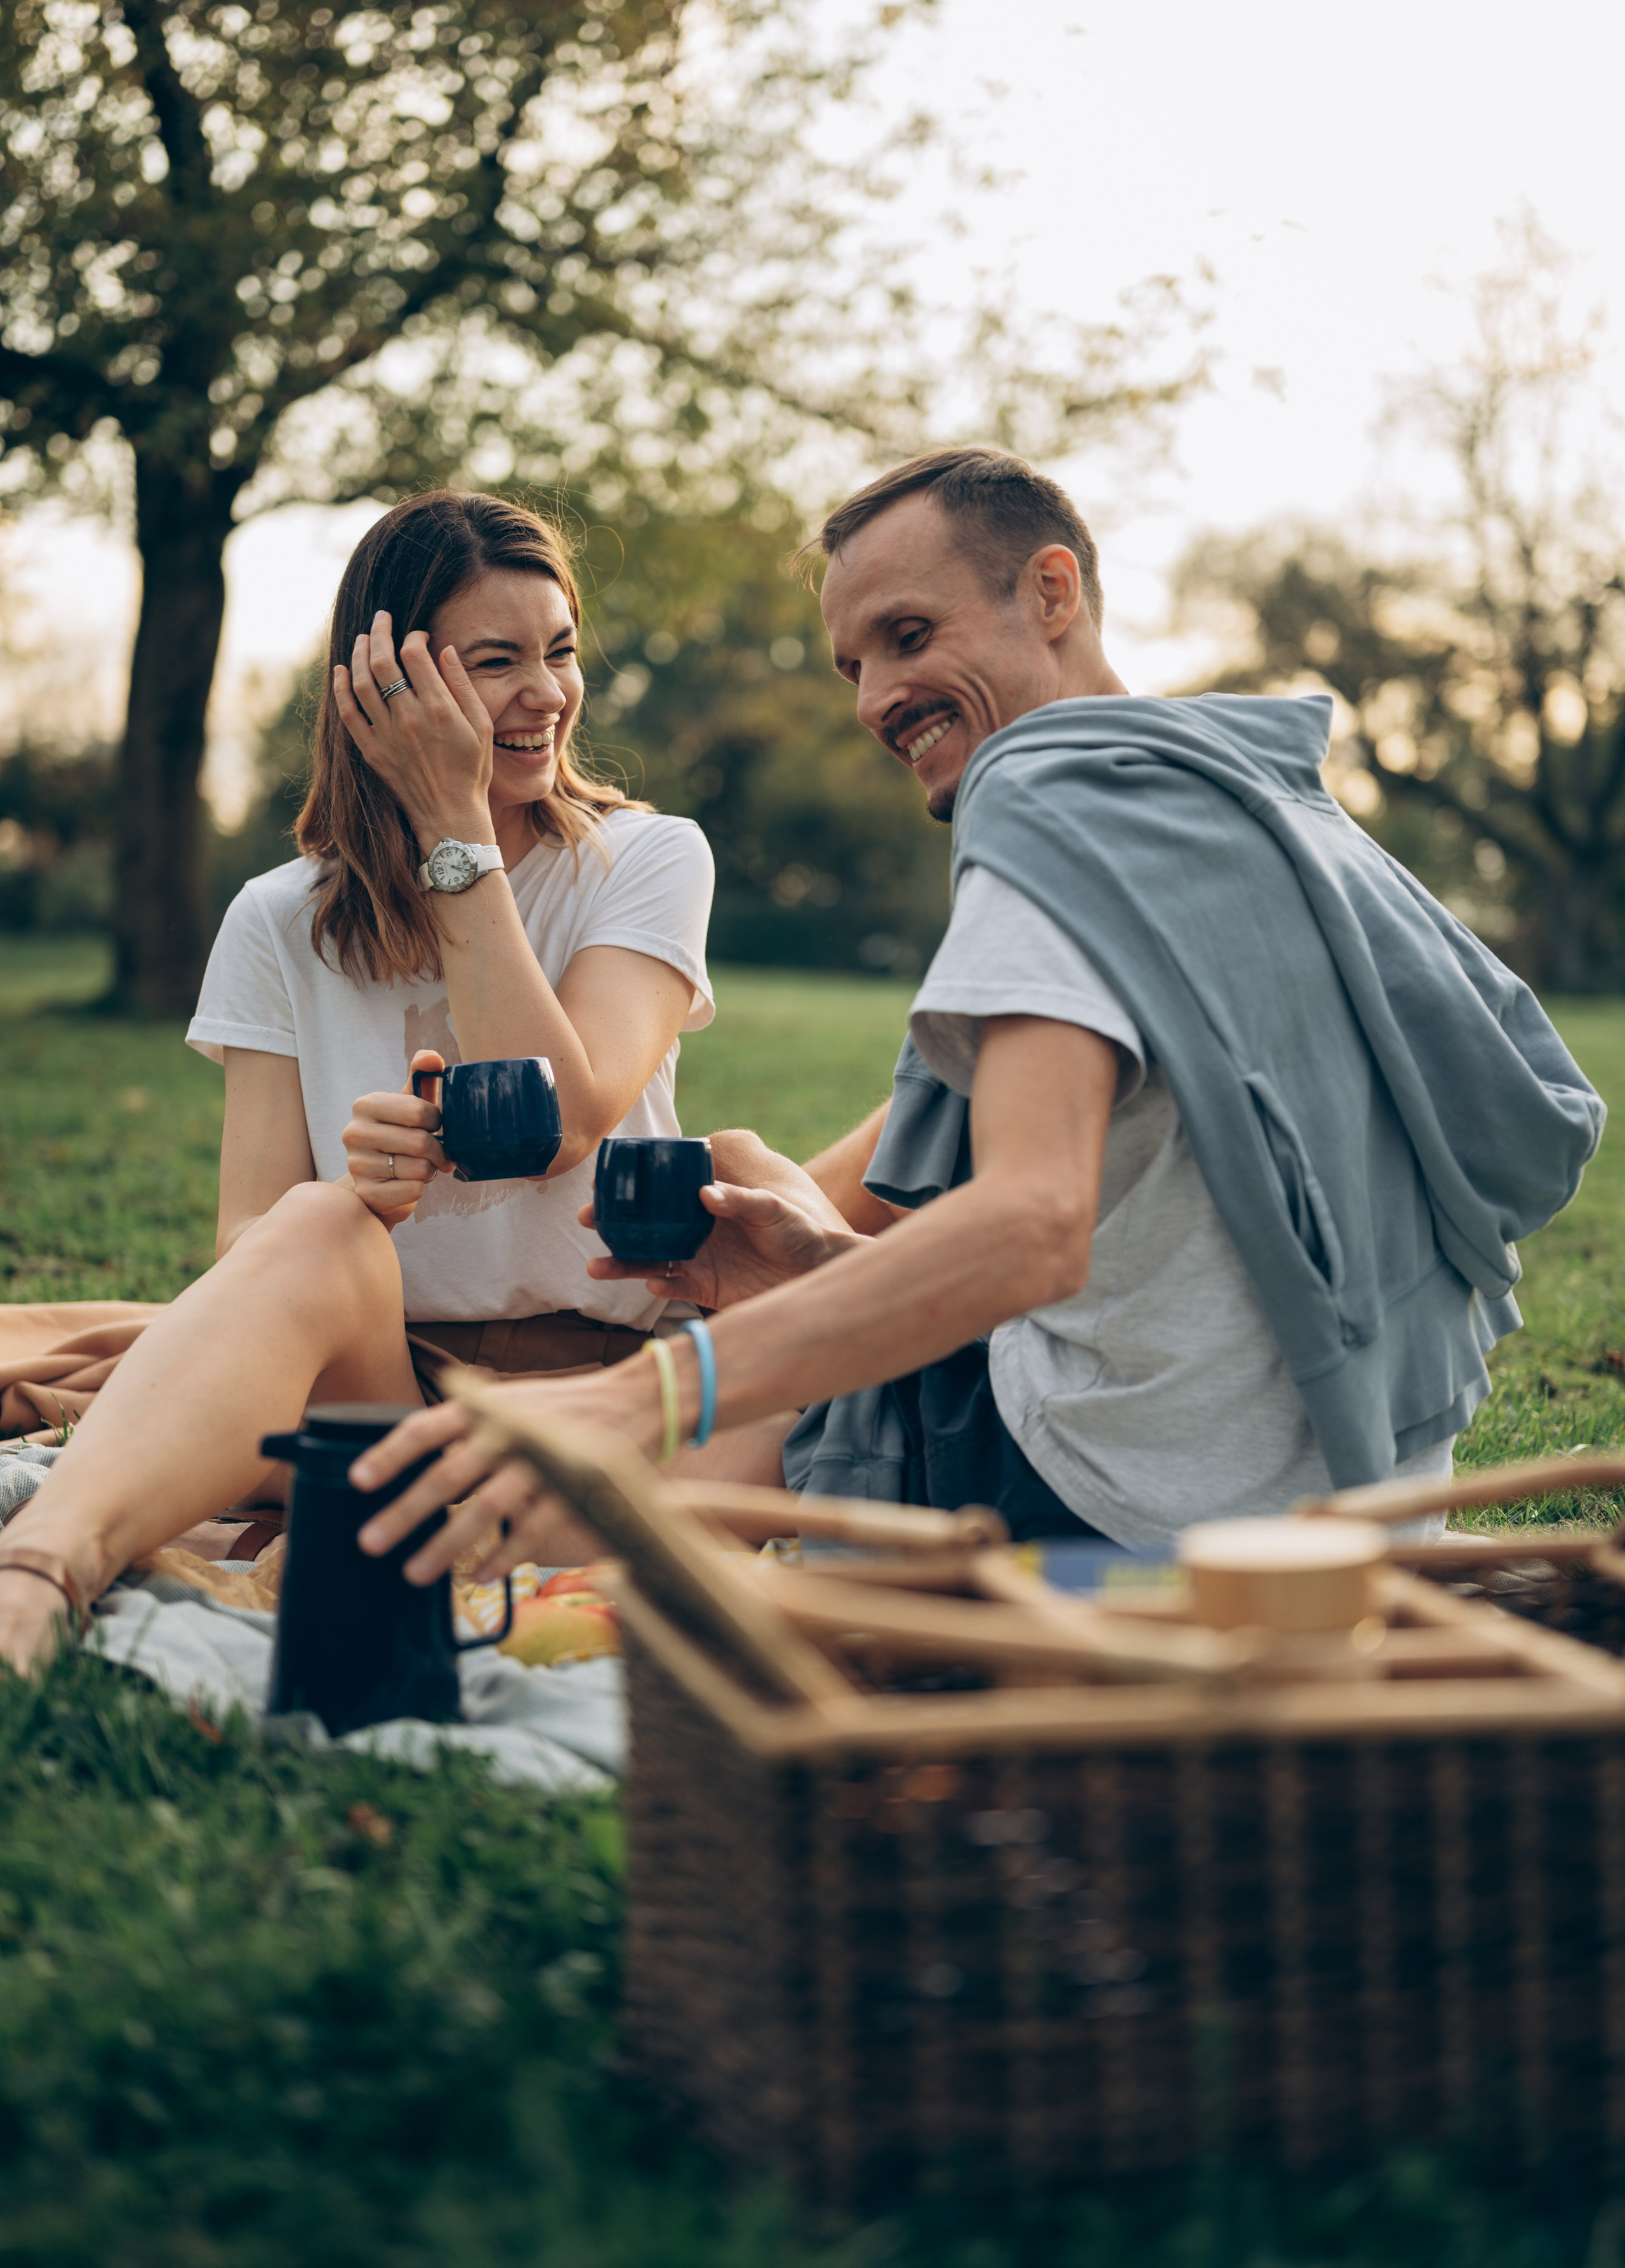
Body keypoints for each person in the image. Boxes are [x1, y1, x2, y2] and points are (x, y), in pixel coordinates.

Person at [349, 447, 1603, 1586]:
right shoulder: (1257, 811)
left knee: (765, 1401)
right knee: (796, 1284)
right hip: (1353, 1500)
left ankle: (401, 1540)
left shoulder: (1047, 823)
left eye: (907, 634)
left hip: (1132, 1526)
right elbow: (1166, 1235)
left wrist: (655, 1396)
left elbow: (1031, 1228)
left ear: (1050, 592)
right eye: (855, 665)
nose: (876, 697)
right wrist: (835, 1268)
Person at [0, 490, 713, 1669]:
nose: (546, 694)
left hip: (599, 1397)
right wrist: (369, 1205)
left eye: (562, 652)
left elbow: (567, 1111)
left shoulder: (643, 859)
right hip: (388, 1393)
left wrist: (453, 824)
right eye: (498, 662)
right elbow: (249, 1244)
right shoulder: (279, 919)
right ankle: (40, 1574)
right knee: (316, 1219)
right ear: (386, 686)